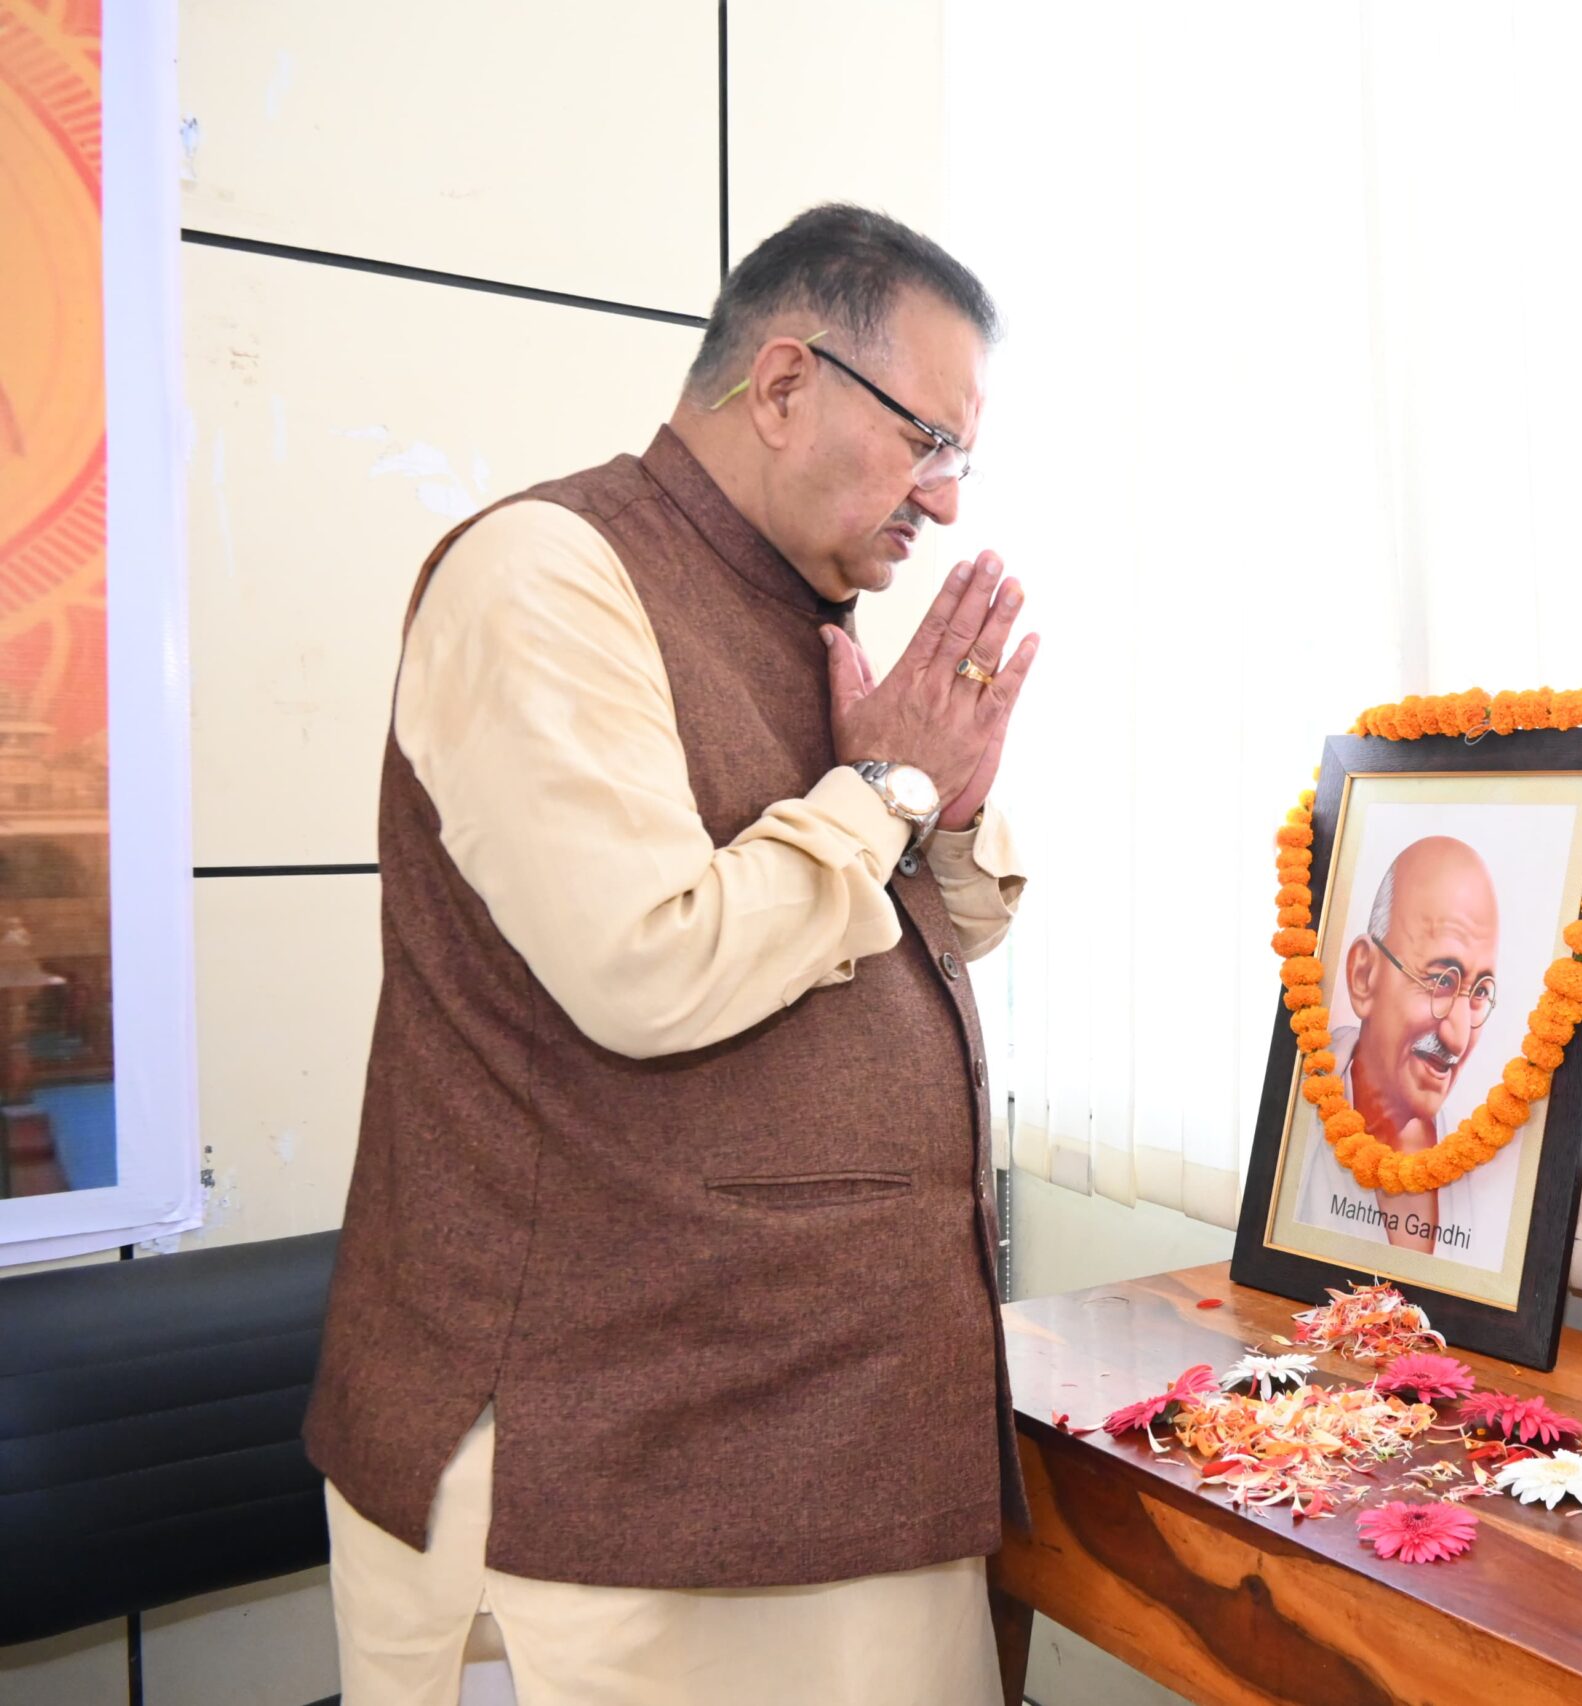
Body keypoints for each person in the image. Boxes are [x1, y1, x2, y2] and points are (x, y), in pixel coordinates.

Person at [304, 205, 1037, 1705]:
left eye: (964, 457)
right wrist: (889, 785)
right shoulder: (543, 573)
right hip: (606, 1469)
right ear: (784, 385)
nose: (948, 500)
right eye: (929, 442)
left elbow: (954, 920)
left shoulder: (812, 611)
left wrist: (936, 799)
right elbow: (648, 966)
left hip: (846, 1433)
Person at [1292, 836, 1517, 1271]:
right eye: (1441, 981)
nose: (1457, 1038)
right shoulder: (1295, 1123)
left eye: (1479, 992)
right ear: (1364, 976)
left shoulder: (1497, 1166)